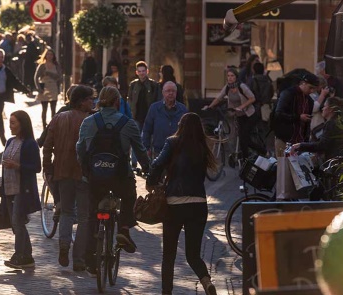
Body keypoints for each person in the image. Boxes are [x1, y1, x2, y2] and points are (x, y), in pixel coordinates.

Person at [76, 86, 150, 275]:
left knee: (93, 214)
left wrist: (86, 169)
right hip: (119, 178)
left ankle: (91, 259)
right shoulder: (128, 123)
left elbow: (80, 149)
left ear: (99, 101)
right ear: (118, 102)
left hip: (94, 179)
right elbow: (140, 151)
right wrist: (150, 171)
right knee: (129, 193)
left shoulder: (88, 122)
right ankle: (124, 229)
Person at [146, 112, 219, 295]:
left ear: (181, 126)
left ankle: (166, 292)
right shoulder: (202, 146)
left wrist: (151, 182)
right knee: (193, 254)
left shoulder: (172, 142)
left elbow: (157, 164)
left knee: (168, 255)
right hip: (198, 204)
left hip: (174, 205)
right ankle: (206, 281)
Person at [43, 85, 94, 271]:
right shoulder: (90, 120)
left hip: (62, 171)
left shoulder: (58, 118)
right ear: (82, 101)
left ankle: (64, 244)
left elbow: (47, 146)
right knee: (83, 216)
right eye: (90, 99)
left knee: (66, 212)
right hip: (83, 173)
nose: (93, 102)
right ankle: (78, 259)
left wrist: (48, 168)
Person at [1, 110, 41, 269]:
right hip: (9, 187)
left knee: (18, 221)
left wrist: (17, 166)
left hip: (22, 188)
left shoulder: (30, 143)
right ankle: (27, 256)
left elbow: (36, 167)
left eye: (13, 123)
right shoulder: (10, 141)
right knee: (16, 222)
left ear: (22, 124)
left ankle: (19, 255)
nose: (10, 126)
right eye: (9, 122)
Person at [205, 68, 265, 160]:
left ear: (236, 77)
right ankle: (246, 159)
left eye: (232, 76)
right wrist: (209, 106)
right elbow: (219, 98)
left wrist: (241, 107)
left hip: (250, 115)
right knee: (242, 139)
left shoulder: (242, 86)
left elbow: (252, 98)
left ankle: (262, 151)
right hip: (239, 115)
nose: (230, 78)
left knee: (244, 137)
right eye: (228, 76)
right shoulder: (227, 87)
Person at [0, 49, 30, 151]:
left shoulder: (6, 70)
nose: (0, 59)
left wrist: (25, 89)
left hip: (2, 97)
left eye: (1, 57)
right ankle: (3, 140)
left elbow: (14, 81)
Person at [272, 71, 318, 156]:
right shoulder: (288, 94)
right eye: (310, 87)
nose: (311, 91)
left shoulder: (309, 101)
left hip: (299, 142)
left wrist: (306, 143)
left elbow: (307, 124)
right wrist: (298, 117)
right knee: (283, 167)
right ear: (303, 83)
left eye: (313, 89)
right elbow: (278, 114)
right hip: (285, 138)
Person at [291, 96, 343, 162]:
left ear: (331, 109)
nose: (322, 109)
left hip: (334, 162)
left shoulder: (331, 124)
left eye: (325, 106)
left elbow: (322, 145)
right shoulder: (340, 122)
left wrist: (300, 145)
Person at [143, 81, 188, 159]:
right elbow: (147, 129)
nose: (170, 93)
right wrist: (146, 148)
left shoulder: (183, 109)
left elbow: (187, 131)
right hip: (159, 150)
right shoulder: (154, 108)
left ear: (176, 93)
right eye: (168, 91)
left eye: (173, 91)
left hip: (178, 151)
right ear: (163, 93)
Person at [127, 61, 159, 130]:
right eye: (139, 71)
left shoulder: (153, 85)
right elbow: (129, 99)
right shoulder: (133, 85)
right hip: (136, 117)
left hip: (149, 116)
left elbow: (157, 99)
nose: (141, 73)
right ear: (136, 72)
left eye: (143, 71)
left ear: (147, 71)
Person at [34, 48, 62, 129]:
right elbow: (36, 77)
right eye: (48, 54)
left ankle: (53, 126)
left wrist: (49, 74)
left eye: (51, 54)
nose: (49, 56)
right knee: (44, 109)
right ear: (45, 55)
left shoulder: (56, 66)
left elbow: (59, 77)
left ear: (53, 56)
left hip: (53, 88)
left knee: (53, 109)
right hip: (44, 88)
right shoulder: (42, 66)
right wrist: (38, 88)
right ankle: (44, 126)